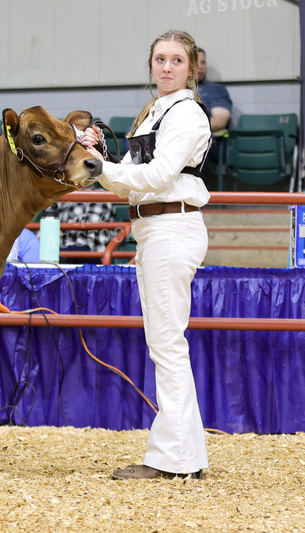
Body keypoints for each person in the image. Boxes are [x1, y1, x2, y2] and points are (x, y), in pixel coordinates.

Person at [80, 30, 211, 480]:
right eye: (160, 59)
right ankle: (187, 458)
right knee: (167, 344)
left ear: (192, 68)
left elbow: (156, 175)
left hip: (172, 224)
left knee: (167, 346)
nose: (167, 67)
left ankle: (170, 461)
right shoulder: (156, 111)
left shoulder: (187, 113)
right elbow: (129, 181)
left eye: (177, 60)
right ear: (151, 65)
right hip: (154, 226)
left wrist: (102, 167)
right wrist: (97, 158)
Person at [196, 48, 233, 182]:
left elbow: (219, 121)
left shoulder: (216, 90)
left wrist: (189, 130)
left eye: (203, 62)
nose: (200, 67)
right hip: (176, 138)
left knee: (196, 140)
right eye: (195, 62)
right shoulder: (178, 90)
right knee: (134, 133)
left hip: (208, 141)